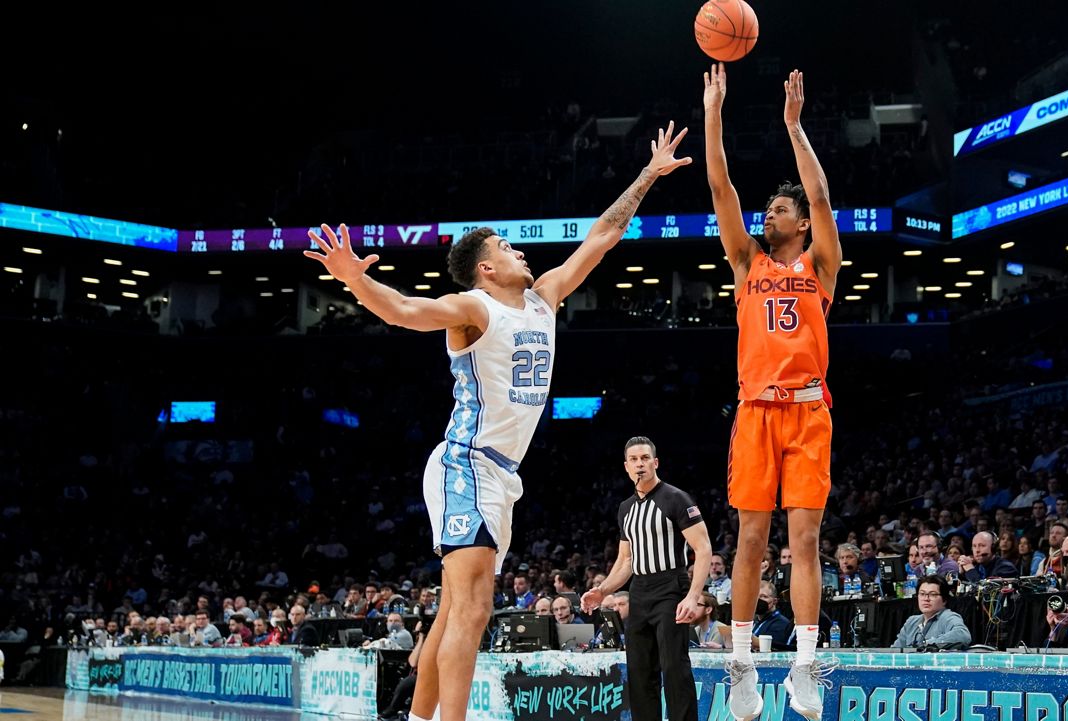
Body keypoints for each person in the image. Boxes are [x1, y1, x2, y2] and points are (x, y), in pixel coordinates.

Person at [304, 124, 690, 721]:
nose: (521, 252)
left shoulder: (544, 297)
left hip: (501, 476)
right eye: (508, 249)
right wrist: (354, 277)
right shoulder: (473, 309)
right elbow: (405, 311)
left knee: (457, 608)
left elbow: (604, 237)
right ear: (484, 269)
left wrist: (648, 174)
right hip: (466, 461)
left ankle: (418, 717)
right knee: (474, 610)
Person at [705, 61, 842, 721]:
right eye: (770, 208)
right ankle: (740, 666)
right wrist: (714, 113)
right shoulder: (745, 262)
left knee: (807, 540)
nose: (769, 212)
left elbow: (819, 194)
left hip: (810, 410)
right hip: (756, 411)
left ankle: (805, 665)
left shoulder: (820, 263)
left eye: (779, 209)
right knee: (751, 540)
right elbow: (720, 184)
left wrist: (794, 125)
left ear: (800, 224)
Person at [581, 437, 712, 721]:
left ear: (655, 462)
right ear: (626, 466)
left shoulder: (676, 498)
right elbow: (626, 561)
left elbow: (703, 549)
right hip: (640, 589)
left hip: (670, 586)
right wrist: (602, 591)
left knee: (674, 667)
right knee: (639, 672)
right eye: (634, 459)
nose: (639, 463)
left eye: (644, 458)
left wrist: (692, 595)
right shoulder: (625, 508)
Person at [890, 575, 970, 649]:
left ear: (944, 599)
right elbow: (895, 650)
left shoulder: (948, 617)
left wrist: (928, 644)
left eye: (933, 594)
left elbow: (963, 636)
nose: (926, 599)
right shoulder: (911, 621)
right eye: (922, 594)